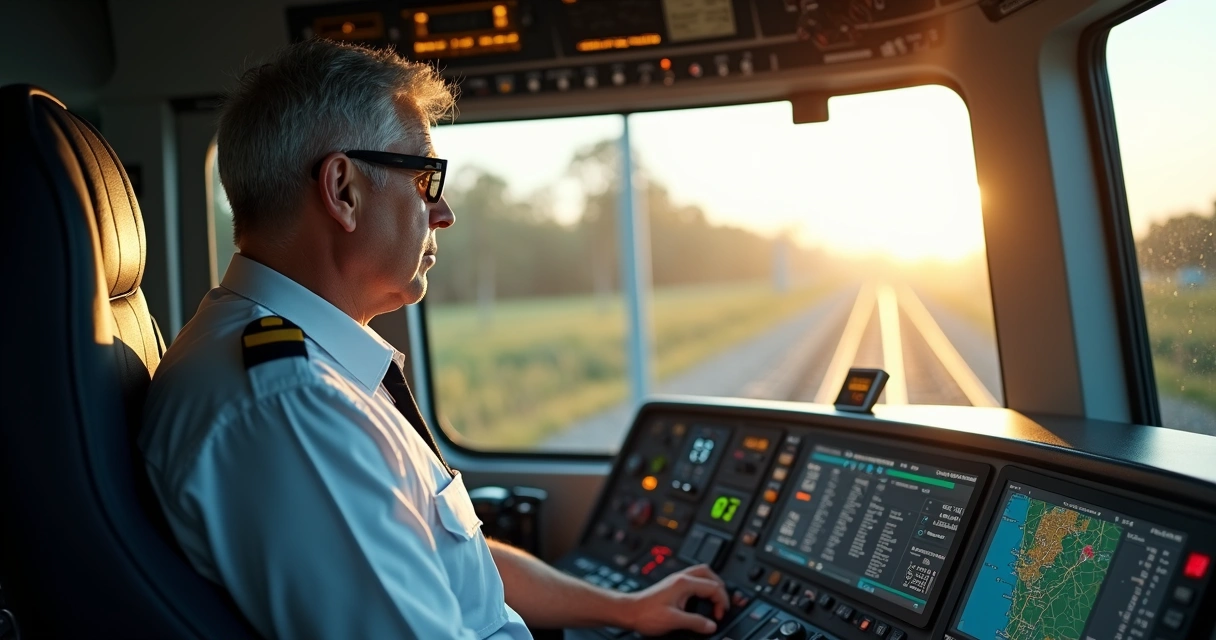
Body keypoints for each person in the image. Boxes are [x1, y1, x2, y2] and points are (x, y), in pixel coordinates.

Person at [140, 38, 729, 639]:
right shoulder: (293, 405)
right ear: (343, 190)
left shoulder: (311, 374)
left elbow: (441, 560)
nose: (443, 212)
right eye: (425, 179)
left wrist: (625, 610)